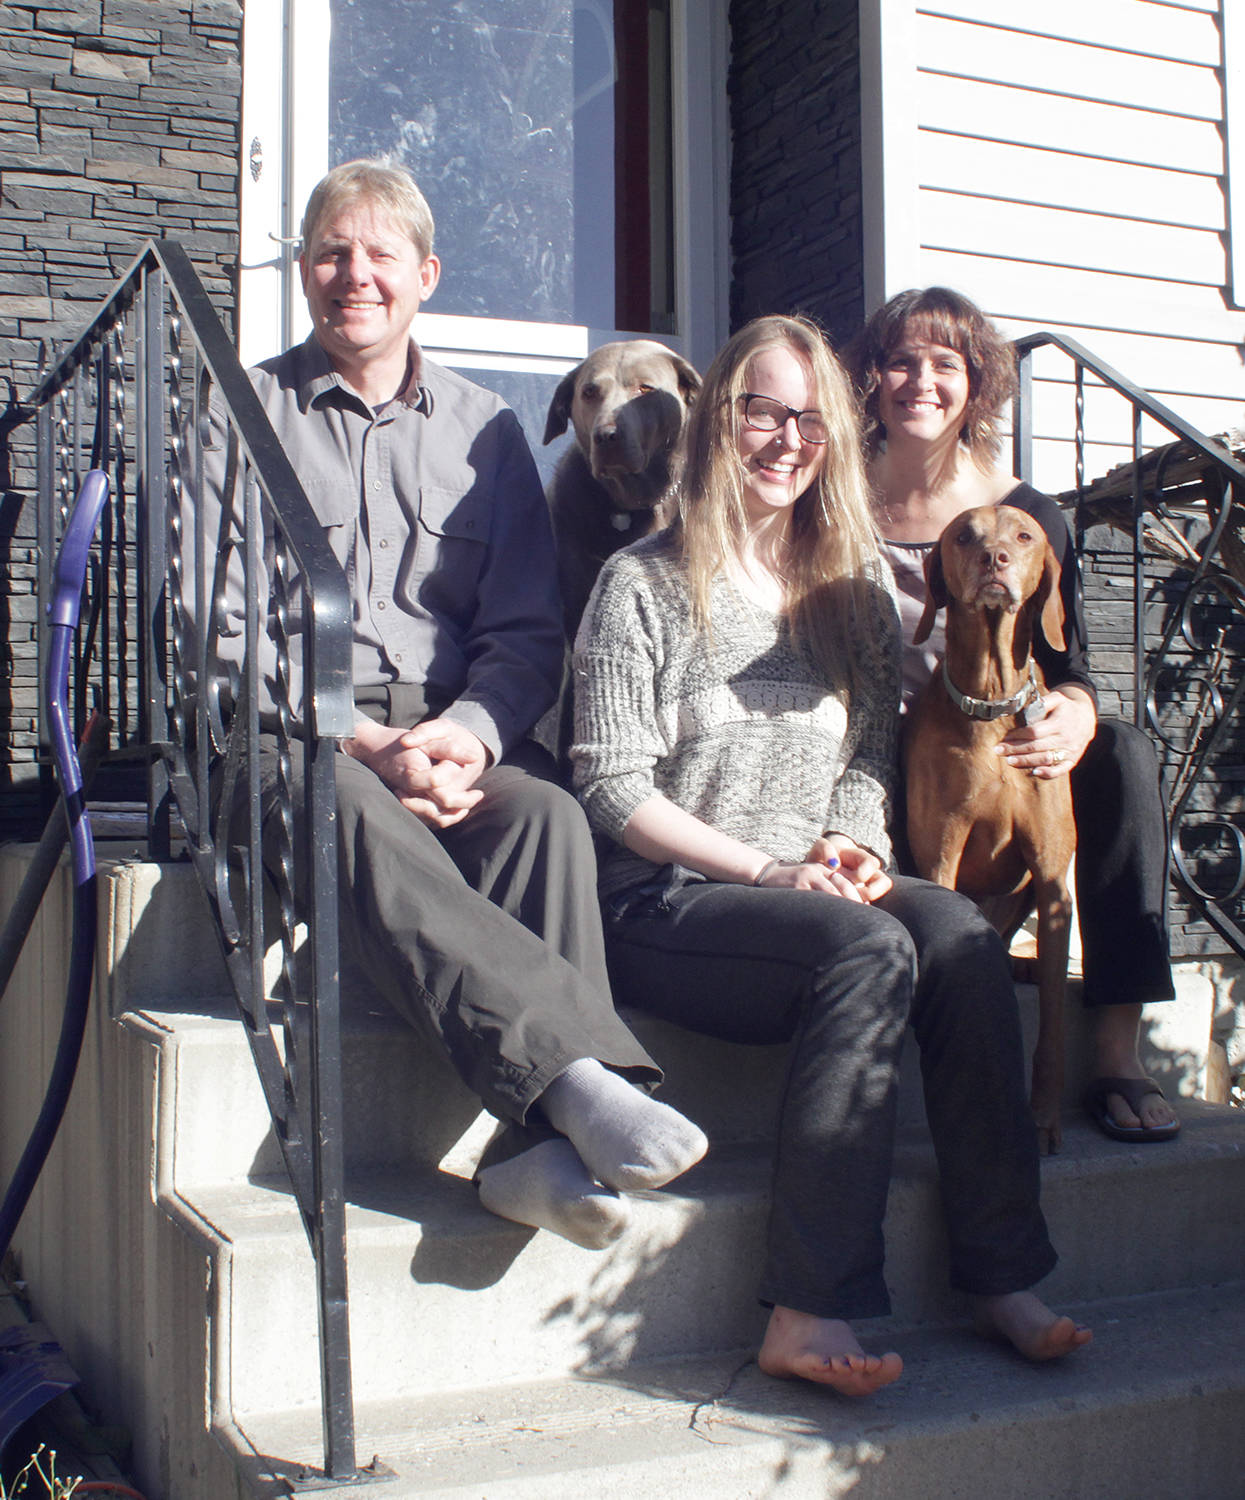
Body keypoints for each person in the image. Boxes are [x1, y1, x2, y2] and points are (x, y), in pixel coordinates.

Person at [571, 313, 1091, 1396]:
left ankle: (1001, 1269)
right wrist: (765, 870)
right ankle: (808, 1310)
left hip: (812, 882)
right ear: (720, 419)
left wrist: (852, 841)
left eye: (809, 419)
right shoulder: (641, 582)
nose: (786, 438)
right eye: (763, 410)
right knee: (868, 951)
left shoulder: (846, 589)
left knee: (951, 933)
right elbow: (612, 785)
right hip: (671, 902)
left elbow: (866, 750)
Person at [201, 159, 707, 1250]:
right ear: (303, 271)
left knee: (550, 815)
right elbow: (217, 637)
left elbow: (527, 633)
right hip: (301, 733)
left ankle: (528, 1161)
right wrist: (372, 740)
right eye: (333, 252)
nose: (356, 275)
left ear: (425, 275)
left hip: (449, 725)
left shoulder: (488, 430)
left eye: (381, 254)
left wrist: (469, 737)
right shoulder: (240, 412)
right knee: (351, 806)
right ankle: (574, 1085)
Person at [849, 286, 1180, 1144]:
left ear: (975, 384)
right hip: (867, 738)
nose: (920, 381)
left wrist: (1073, 709)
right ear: (871, 379)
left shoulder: (1025, 514)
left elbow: (1065, 659)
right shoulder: (833, 494)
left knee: (1124, 756)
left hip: (993, 731)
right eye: (900, 361)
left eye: (944, 365)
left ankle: (1114, 1053)